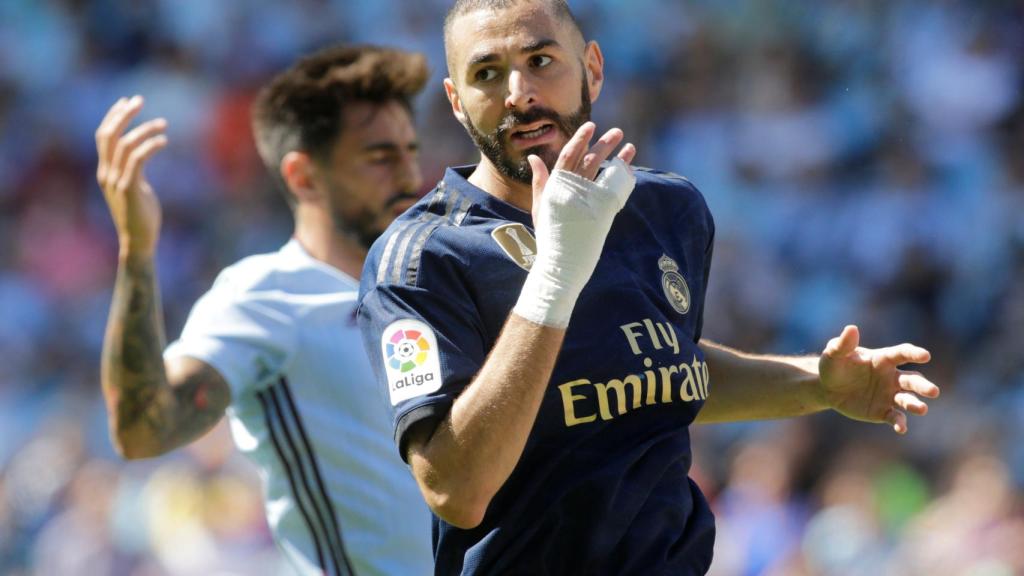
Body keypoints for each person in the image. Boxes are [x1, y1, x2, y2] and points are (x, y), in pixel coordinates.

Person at [355, 1, 942, 574]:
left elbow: (653, 370)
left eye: (541, 60)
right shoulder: (423, 257)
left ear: (592, 67)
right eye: (487, 74)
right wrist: (558, 273)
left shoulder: (667, 208)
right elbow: (455, 489)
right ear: (456, 102)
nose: (520, 93)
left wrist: (818, 383)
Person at [96, 44, 435, 576]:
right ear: (303, 176)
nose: (411, 175)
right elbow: (142, 429)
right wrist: (136, 252)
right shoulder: (262, 298)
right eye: (380, 157)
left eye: (410, 151)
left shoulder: (435, 283)